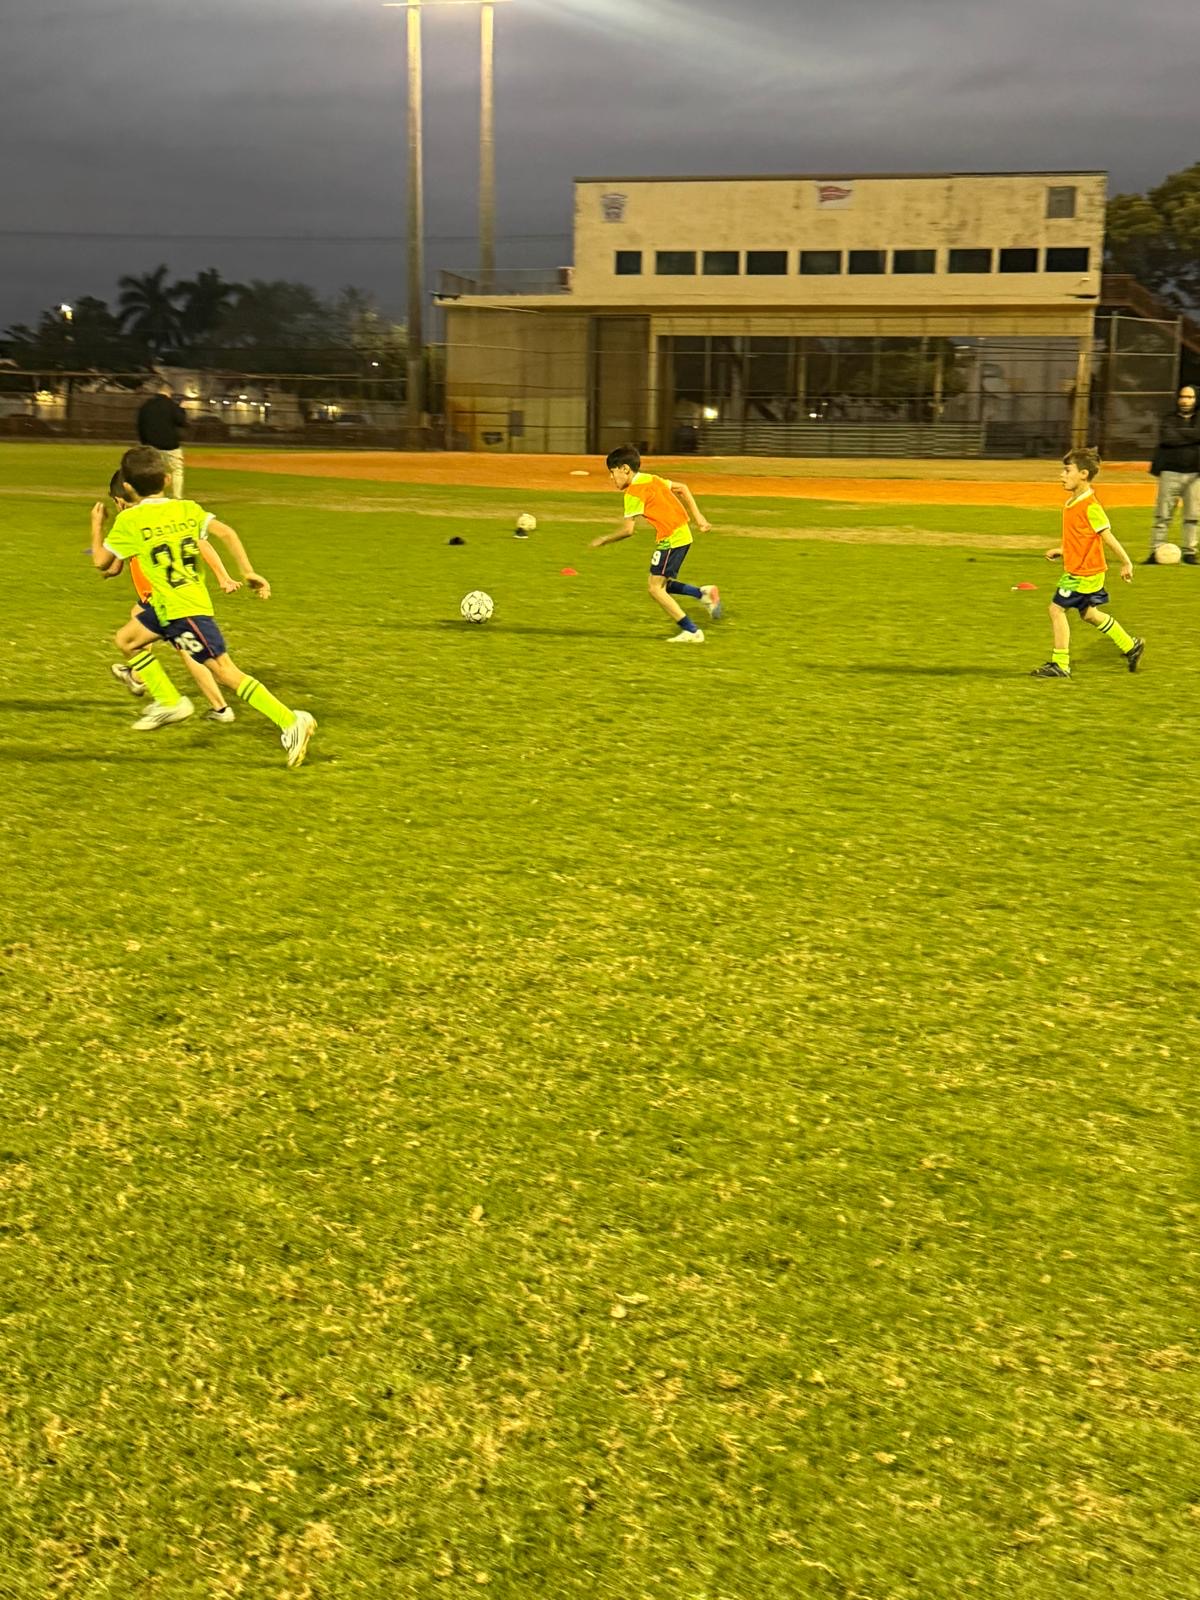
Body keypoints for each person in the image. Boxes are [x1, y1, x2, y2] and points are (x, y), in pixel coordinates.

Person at [90, 446, 316, 767]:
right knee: (127, 640)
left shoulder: (130, 519)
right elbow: (225, 532)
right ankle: (169, 701)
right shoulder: (186, 509)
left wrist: (97, 524)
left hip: (184, 611)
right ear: (167, 479)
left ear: (126, 487)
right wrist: (247, 571)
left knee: (225, 672)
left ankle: (291, 721)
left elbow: (102, 563)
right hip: (167, 607)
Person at [103, 469, 239, 724]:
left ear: (121, 497)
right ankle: (140, 677)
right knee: (134, 632)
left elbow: (111, 565)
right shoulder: (142, 519)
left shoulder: (136, 520)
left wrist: (223, 576)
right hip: (158, 596)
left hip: (166, 597)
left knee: (191, 653)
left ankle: (217, 708)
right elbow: (117, 563)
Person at [590, 443, 722, 643]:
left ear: (625, 469)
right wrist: (699, 518)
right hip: (681, 535)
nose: (611, 478)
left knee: (654, 588)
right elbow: (682, 488)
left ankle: (692, 631)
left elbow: (628, 530)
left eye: (612, 472)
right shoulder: (652, 478)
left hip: (672, 539)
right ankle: (703, 594)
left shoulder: (633, 492)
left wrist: (605, 540)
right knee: (663, 585)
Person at [1031, 447, 1144, 679]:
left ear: (1083, 474)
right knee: (1089, 614)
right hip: (1085, 571)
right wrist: (1062, 550)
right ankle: (1131, 645)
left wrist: (1126, 562)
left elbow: (1107, 536)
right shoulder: (1073, 502)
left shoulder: (1091, 506)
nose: (1061, 475)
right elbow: (1081, 538)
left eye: (1066, 470)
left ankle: (1061, 665)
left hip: (1083, 573)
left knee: (1056, 609)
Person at [1146, 383, 1199, 564]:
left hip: (1195, 475)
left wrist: (1181, 436)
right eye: (1183, 396)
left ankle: (1190, 552)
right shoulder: (1168, 419)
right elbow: (1168, 438)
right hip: (1169, 472)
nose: (1185, 400)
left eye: (1190, 397)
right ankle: (1155, 551)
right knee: (1163, 514)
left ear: (1196, 399)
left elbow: (1176, 438)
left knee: (1192, 516)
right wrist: (1193, 436)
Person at [136, 380, 188, 498]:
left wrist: (144, 443)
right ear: (169, 392)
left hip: (151, 445)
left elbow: (140, 425)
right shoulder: (171, 405)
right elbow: (182, 422)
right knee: (177, 470)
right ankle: (177, 498)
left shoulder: (147, 405)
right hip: (171, 445)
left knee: (153, 472)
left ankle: (152, 497)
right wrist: (181, 409)